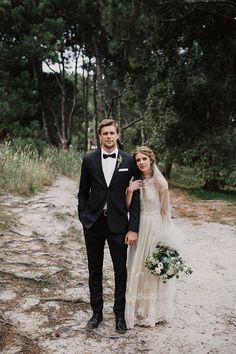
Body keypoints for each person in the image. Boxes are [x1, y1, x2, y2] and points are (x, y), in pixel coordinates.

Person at [78, 119, 140, 333]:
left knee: (120, 271)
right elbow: (82, 192)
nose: (109, 137)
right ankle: (96, 313)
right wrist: (83, 217)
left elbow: (136, 196)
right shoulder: (89, 159)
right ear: (100, 136)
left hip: (118, 224)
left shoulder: (129, 160)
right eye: (105, 133)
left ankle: (119, 315)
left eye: (112, 133)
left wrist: (133, 228)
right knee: (94, 270)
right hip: (93, 223)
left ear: (118, 134)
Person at [125, 146, 183, 328]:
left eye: (144, 159)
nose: (141, 163)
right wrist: (130, 190)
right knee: (137, 264)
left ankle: (153, 311)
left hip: (155, 226)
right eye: (138, 160)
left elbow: (165, 211)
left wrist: (166, 234)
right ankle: (138, 309)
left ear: (151, 160)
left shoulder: (160, 182)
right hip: (140, 226)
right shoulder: (136, 181)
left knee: (152, 266)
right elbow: (127, 207)